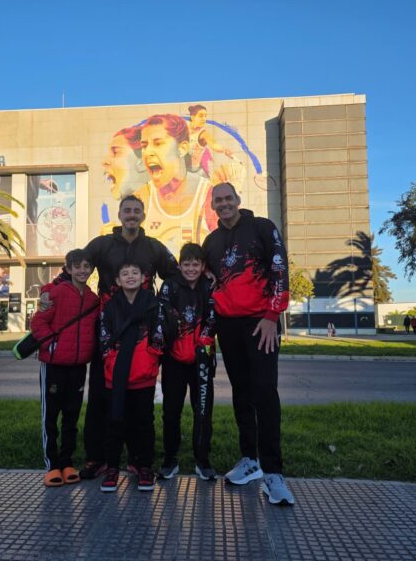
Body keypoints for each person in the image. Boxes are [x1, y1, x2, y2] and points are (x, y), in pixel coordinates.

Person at [40, 195, 178, 480]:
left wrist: (163, 305)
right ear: (120, 214)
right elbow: (73, 267)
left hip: (141, 332)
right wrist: (49, 291)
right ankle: (97, 458)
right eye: (127, 210)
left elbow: (175, 275)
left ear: (143, 215)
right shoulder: (102, 245)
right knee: (100, 397)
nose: (131, 214)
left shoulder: (153, 247)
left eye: (136, 210)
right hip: (107, 329)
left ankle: (139, 461)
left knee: (139, 400)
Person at [201, 183, 294, 506]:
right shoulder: (211, 242)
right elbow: (207, 280)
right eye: (218, 200)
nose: (224, 204)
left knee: (265, 391)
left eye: (228, 198)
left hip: (261, 322)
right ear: (213, 205)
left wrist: (272, 315)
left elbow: (280, 268)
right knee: (241, 392)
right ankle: (249, 460)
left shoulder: (263, 228)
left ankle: (273, 472)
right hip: (228, 326)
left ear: (238, 200)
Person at [31, 249, 100, 488]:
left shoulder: (93, 299)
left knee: (71, 417)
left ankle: (67, 462)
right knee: (50, 417)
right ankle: (52, 465)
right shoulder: (56, 293)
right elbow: (38, 322)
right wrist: (52, 345)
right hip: (53, 366)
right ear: (68, 269)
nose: (82, 270)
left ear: (92, 270)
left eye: (86, 266)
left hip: (78, 367)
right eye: (77, 266)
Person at [98, 260, 166, 492]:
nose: (130, 276)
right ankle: (112, 468)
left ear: (143, 277)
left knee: (144, 423)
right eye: (125, 273)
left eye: (134, 272)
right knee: (115, 422)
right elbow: (104, 337)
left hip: (143, 374)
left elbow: (158, 335)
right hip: (116, 375)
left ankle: (144, 466)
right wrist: (112, 360)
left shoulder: (152, 304)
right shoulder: (110, 306)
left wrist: (149, 358)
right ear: (117, 280)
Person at [157, 243, 217, 482]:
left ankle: (202, 459)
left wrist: (204, 344)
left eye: (195, 264)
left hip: (202, 360)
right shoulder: (169, 285)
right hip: (173, 360)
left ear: (203, 266)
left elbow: (213, 317)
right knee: (171, 412)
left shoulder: (209, 285)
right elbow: (161, 316)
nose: (191, 269)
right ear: (180, 265)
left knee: (203, 412)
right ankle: (170, 458)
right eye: (186, 264)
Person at [134, 114, 215, 252]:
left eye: (158, 143)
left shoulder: (208, 194)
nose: (148, 153)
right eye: (144, 146)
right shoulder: (141, 198)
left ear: (182, 148)